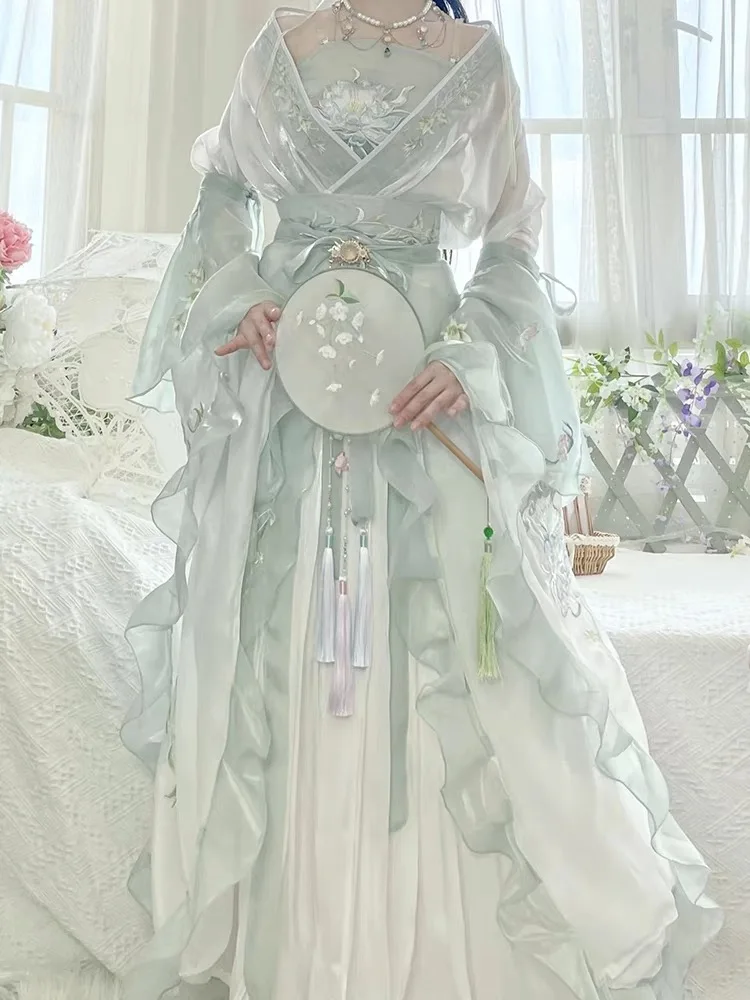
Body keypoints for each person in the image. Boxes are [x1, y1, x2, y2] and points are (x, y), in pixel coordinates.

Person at [123, 2, 721, 998]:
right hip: (293, 398)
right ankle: (307, 943)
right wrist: (243, 297)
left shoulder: (478, 61)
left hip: (425, 393)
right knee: (290, 640)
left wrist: (469, 348)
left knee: (458, 642)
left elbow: (514, 236)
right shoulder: (280, 47)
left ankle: (443, 955)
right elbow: (223, 192)